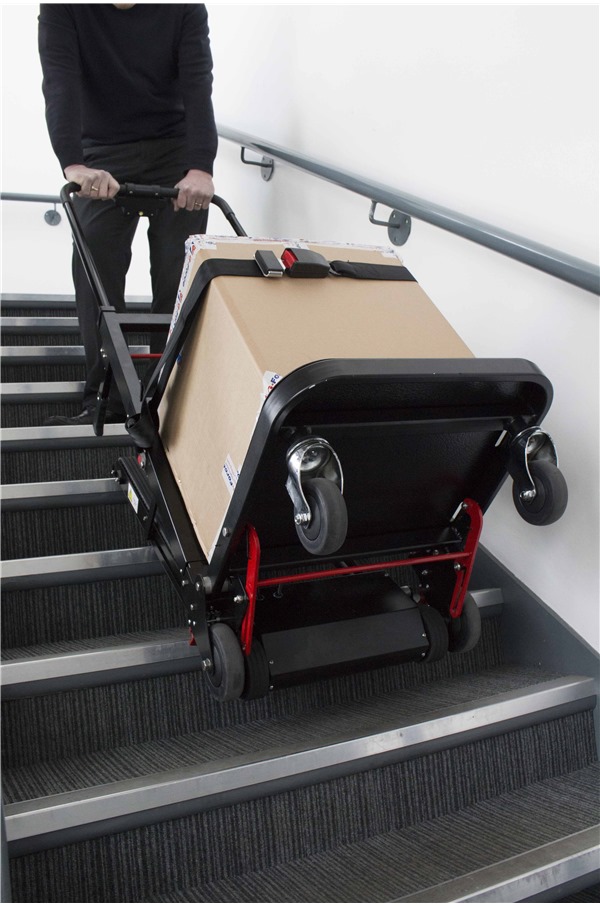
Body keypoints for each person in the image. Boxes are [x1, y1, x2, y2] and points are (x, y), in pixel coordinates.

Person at [38, 3, 218, 425]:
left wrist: (201, 167)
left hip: (173, 147)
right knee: (95, 265)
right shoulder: (63, 8)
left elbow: (198, 83)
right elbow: (60, 81)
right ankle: (106, 397)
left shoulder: (184, 8)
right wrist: (73, 164)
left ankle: (171, 399)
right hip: (101, 150)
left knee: (180, 276)